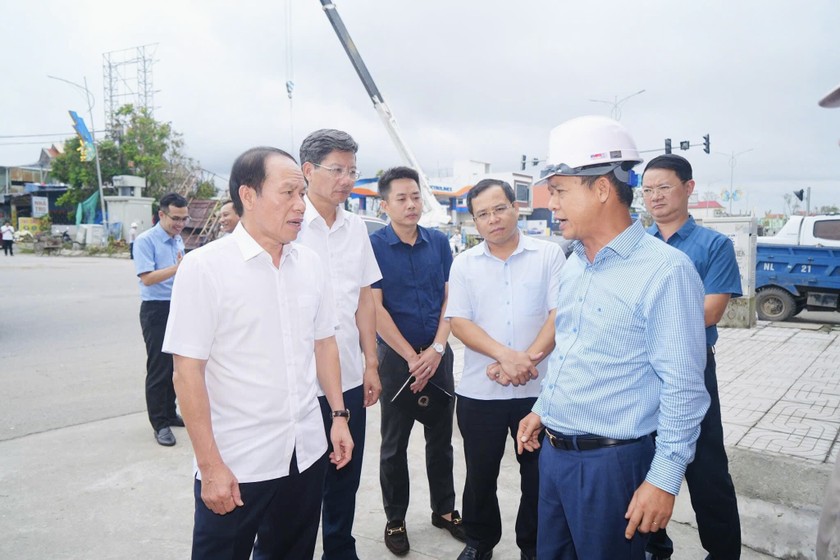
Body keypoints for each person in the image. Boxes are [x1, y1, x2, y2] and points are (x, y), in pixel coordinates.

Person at [516, 115, 710, 559]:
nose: (551, 203)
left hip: (612, 465)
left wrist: (663, 480)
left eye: (561, 190)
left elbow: (683, 387)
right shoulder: (575, 263)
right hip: (556, 456)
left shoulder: (665, 272)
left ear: (601, 188)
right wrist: (543, 409)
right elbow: (573, 350)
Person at [162, 146, 353, 559]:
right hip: (237, 462)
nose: (301, 205)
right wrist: (210, 466)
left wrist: (338, 416)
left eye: (302, 194)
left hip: (305, 452)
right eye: (288, 193)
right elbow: (187, 373)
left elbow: (324, 344)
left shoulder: (311, 265)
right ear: (248, 196)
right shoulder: (206, 268)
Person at [446, 179, 565, 560]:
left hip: (539, 393)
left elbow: (559, 314)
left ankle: (533, 547)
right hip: (481, 393)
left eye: (499, 208)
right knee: (480, 476)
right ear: (474, 222)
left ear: (516, 208)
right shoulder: (464, 263)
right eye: (482, 214)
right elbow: (459, 322)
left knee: (538, 478)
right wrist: (506, 356)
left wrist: (524, 360)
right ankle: (480, 541)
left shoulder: (549, 255)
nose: (493, 219)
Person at [643, 153, 743, 560]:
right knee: (644, 462)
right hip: (642, 370)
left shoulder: (713, 245)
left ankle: (722, 553)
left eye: (664, 187)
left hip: (692, 366)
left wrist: (644, 318)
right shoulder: (637, 244)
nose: (655, 197)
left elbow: (711, 310)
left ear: (688, 188)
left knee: (706, 469)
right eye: (648, 190)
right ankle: (653, 547)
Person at [369, 166, 464, 556]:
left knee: (441, 442)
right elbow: (373, 308)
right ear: (385, 204)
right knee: (394, 445)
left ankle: (443, 510)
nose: (411, 205)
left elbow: (449, 299)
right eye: (401, 198)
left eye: (415, 196)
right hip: (396, 359)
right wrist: (411, 357)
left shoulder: (439, 242)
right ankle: (395, 519)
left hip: (437, 354)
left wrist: (437, 349)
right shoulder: (373, 247)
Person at [297, 129, 382, 560]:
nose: (347, 180)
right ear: (308, 171)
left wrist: (370, 364)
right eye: (338, 170)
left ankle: (339, 551)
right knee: (296, 485)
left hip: (348, 374)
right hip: (298, 383)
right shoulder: (289, 226)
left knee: (344, 475)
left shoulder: (356, 229)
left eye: (352, 171)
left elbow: (365, 299)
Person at [133, 192, 188, 447]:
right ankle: (160, 424)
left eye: (184, 219)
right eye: (175, 219)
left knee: (175, 365)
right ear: (161, 214)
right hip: (156, 309)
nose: (180, 224)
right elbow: (147, 278)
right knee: (158, 368)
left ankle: (169, 412)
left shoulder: (177, 239)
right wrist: (179, 268)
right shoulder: (146, 240)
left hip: (177, 306)